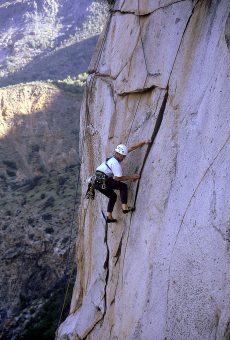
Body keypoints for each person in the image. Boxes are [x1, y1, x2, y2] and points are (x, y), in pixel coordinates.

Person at [94, 140, 151, 223]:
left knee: (113, 196)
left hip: (96, 182)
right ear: (119, 154)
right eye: (123, 156)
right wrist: (132, 177)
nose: (124, 158)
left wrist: (143, 141)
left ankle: (109, 216)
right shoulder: (115, 163)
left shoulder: (113, 157)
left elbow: (131, 148)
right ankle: (125, 208)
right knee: (123, 187)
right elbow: (118, 178)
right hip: (103, 181)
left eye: (124, 156)